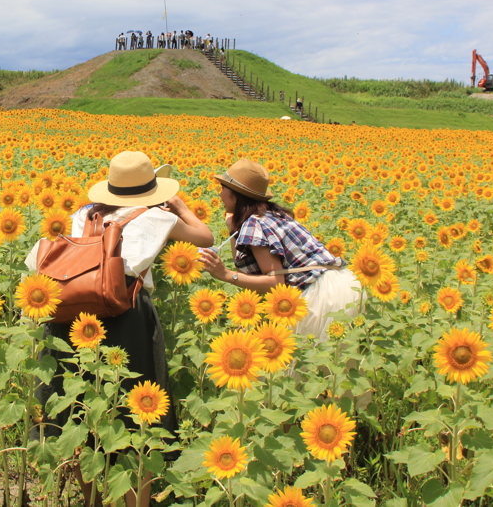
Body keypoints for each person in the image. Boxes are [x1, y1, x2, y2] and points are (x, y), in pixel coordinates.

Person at [26, 151, 213, 507]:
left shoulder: (84, 213)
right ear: (153, 191)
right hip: (124, 312)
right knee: (135, 414)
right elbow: (205, 236)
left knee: (77, 411)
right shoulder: (158, 217)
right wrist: (179, 206)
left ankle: (92, 500)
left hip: (70, 312)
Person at [199, 159, 363, 338]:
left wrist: (225, 274)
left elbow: (275, 282)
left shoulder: (254, 224)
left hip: (321, 297)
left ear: (236, 195)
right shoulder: (272, 215)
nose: (220, 194)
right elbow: (247, 272)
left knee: (303, 353)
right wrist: (233, 229)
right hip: (344, 285)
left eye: (223, 188)